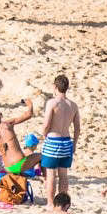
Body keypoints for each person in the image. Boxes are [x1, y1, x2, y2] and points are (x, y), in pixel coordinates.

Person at [38, 73, 79, 205]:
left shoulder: (52, 103)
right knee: (63, 175)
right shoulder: (73, 105)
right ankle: (62, 204)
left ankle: (51, 204)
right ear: (67, 87)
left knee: (51, 175)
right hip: (67, 142)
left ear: (55, 87)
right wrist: (75, 144)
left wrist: (43, 135)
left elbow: (46, 124)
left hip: (53, 141)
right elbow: (77, 128)